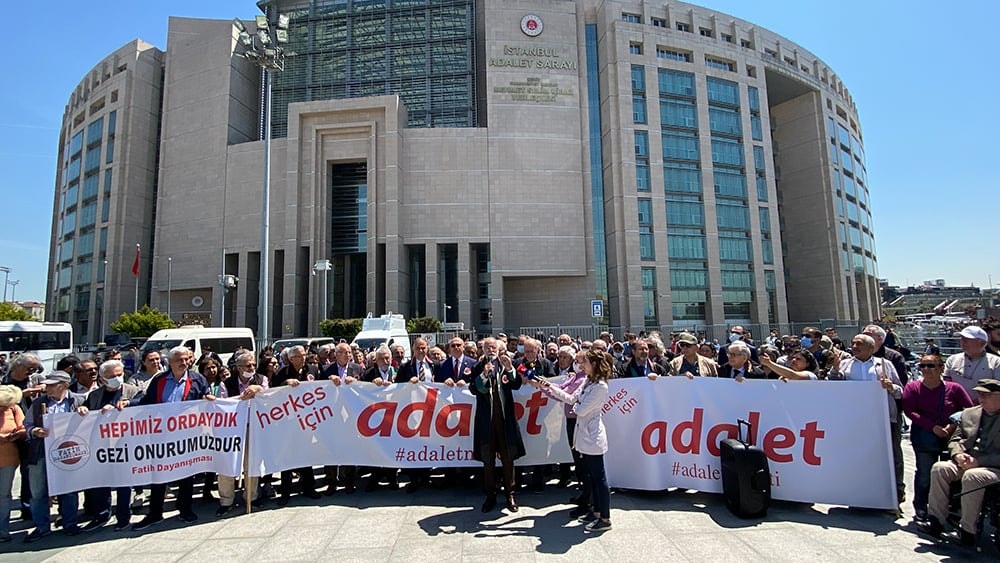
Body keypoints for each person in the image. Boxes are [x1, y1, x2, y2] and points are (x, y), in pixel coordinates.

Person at [132, 346, 216, 531]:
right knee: (159, 474)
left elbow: (205, 399)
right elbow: (147, 402)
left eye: (186, 359)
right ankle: (155, 513)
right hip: (162, 436)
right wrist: (127, 403)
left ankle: (185, 509)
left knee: (186, 474)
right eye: (179, 360)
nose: (184, 363)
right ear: (169, 362)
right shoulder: (160, 380)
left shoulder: (197, 379)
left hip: (187, 436)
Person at [531, 348, 613, 532]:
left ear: (595, 365)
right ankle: (596, 511)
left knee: (599, 478)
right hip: (583, 434)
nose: (582, 365)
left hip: (593, 437)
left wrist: (577, 406)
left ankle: (605, 518)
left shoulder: (600, 386)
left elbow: (580, 410)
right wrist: (548, 386)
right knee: (590, 476)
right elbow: (570, 398)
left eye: (586, 362)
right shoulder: (587, 381)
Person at [919, 379, 1000, 547]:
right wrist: (958, 455)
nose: (981, 398)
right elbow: (956, 439)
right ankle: (936, 521)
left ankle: (967, 531)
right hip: (966, 461)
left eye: (986, 395)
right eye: (979, 394)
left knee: (973, 476)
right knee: (940, 468)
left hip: (993, 467)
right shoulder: (970, 413)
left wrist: (979, 461)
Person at [827, 334, 905, 504]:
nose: (854, 346)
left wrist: (890, 387)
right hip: (855, 420)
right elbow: (832, 387)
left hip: (884, 419)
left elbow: (901, 390)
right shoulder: (845, 365)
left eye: (859, 344)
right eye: (853, 343)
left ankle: (896, 491)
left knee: (892, 454)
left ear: (871, 348)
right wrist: (834, 369)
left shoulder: (884, 365)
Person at [902, 354, 974, 521]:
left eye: (931, 365)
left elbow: (968, 410)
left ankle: (949, 508)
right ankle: (921, 505)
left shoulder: (954, 388)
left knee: (952, 474)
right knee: (925, 473)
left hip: (951, 437)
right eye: (923, 366)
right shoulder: (913, 387)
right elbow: (910, 411)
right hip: (924, 437)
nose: (926, 369)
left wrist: (953, 424)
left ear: (941, 368)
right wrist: (932, 427)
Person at [24, 372, 88, 542]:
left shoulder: (78, 401)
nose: (48, 388)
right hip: (41, 452)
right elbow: (27, 424)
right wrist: (34, 431)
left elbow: (92, 424)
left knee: (69, 490)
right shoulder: (39, 403)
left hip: (68, 452)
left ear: (65, 385)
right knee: (38, 492)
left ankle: (70, 523)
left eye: (53, 384)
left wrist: (85, 413)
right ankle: (42, 527)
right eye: (48, 384)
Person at [80, 360, 143, 532]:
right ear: (102, 379)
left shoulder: (132, 391)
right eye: (112, 376)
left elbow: (145, 404)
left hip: (124, 444)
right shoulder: (94, 396)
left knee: (124, 483)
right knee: (101, 482)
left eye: (119, 374)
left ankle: (123, 517)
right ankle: (101, 515)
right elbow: (84, 412)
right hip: (101, 446)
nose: (117, 378)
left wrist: (127, 404)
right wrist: (82, 410)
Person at [470, 337, 524, 513]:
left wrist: (510, 369)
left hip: (504, 418)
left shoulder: (506, 363)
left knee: (508, 458)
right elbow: (473, 389)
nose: (490, 349)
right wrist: (484, 375)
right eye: (486, 347)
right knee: (488, 459)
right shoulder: (479, 366)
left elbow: (515, 385)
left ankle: (510, 494)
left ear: (499, 348)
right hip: (486, 419)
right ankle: (490, 495)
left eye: (493, 346)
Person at [216, 351, 265, 516]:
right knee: (227, 464)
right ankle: (226, 499)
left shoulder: (261, 380)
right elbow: (221, 404)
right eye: (247, 365)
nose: (251, 368)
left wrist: (257, 388)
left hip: (254, 427)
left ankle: (251, 497)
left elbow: (269, 395)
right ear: (238, 368)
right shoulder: (226, 384)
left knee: (250, 464)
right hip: (232, 429)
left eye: (253, 365)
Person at [272, 345, 322, 504]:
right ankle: (285, 491)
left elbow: (321, 389)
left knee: (306, 455)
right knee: (288, 455)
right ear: (291, 359)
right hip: (288, 420)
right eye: (299, 356)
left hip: (308, 419)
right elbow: (272, 392)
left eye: (304, 355)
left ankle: (309, 487)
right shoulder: (282, 372)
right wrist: (285, 383)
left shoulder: (313, 370)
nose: (303, 358)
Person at [0, 353, 43, 522]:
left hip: (27, 432)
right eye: (29, 368)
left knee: (28, 472)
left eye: (35, 369)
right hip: (6, 438)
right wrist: (20, 395)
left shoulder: (35, 380)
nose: (31, 372)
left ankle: (28, 508)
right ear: (17, 366)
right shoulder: (3, 382)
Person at [321, 342, 364, 494]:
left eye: (349, 352)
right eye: (344, 352)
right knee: (331, 448)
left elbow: (365, 389)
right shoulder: (326, 369)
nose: (348, 354)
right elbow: (317, 390)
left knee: (349, 448)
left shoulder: (357, 369)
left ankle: (349, 483)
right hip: (331, 414)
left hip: (350, 414)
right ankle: (332, 482)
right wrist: (328, 381)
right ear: (336, 354)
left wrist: (356, 382)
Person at [943, 326, 1000, 404]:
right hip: (957, 405)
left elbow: (997, 389)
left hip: (984, 407)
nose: (963, 341)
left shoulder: (996, 362)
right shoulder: (952, 360)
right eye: (962, 338)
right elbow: (947, 384)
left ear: (982, 343)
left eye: (967, 339)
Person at [0, 385, 26, 542]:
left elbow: (23, 426)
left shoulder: (14, 408)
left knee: (3, 495)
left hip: (8, 458)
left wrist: (18, 434)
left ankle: (3, 530)